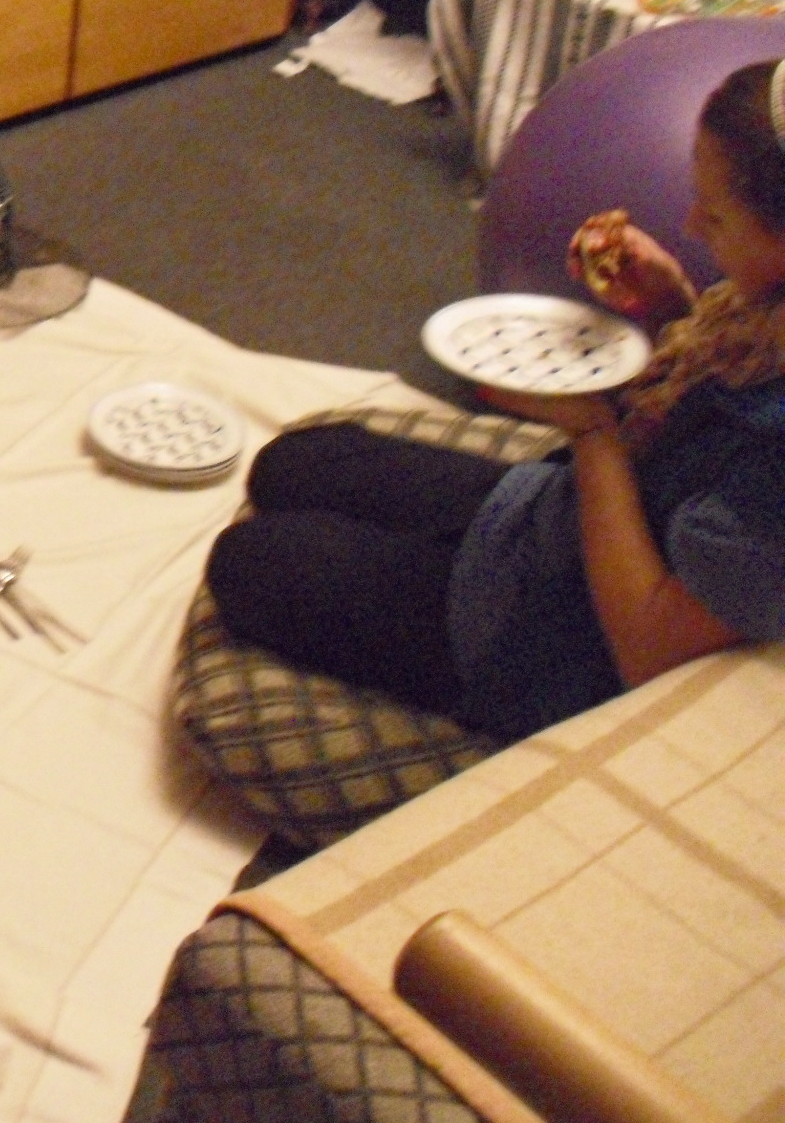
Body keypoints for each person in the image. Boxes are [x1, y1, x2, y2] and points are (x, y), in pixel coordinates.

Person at [207, 60, 785, 743]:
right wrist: (668, 309)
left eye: (714, 215)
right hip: (549, 521)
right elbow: (706, 416)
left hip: (551, 644)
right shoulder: (766, 314)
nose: (689, 223)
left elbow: (647, 651)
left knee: (247, 562)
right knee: (295, 460)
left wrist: (591, 432)